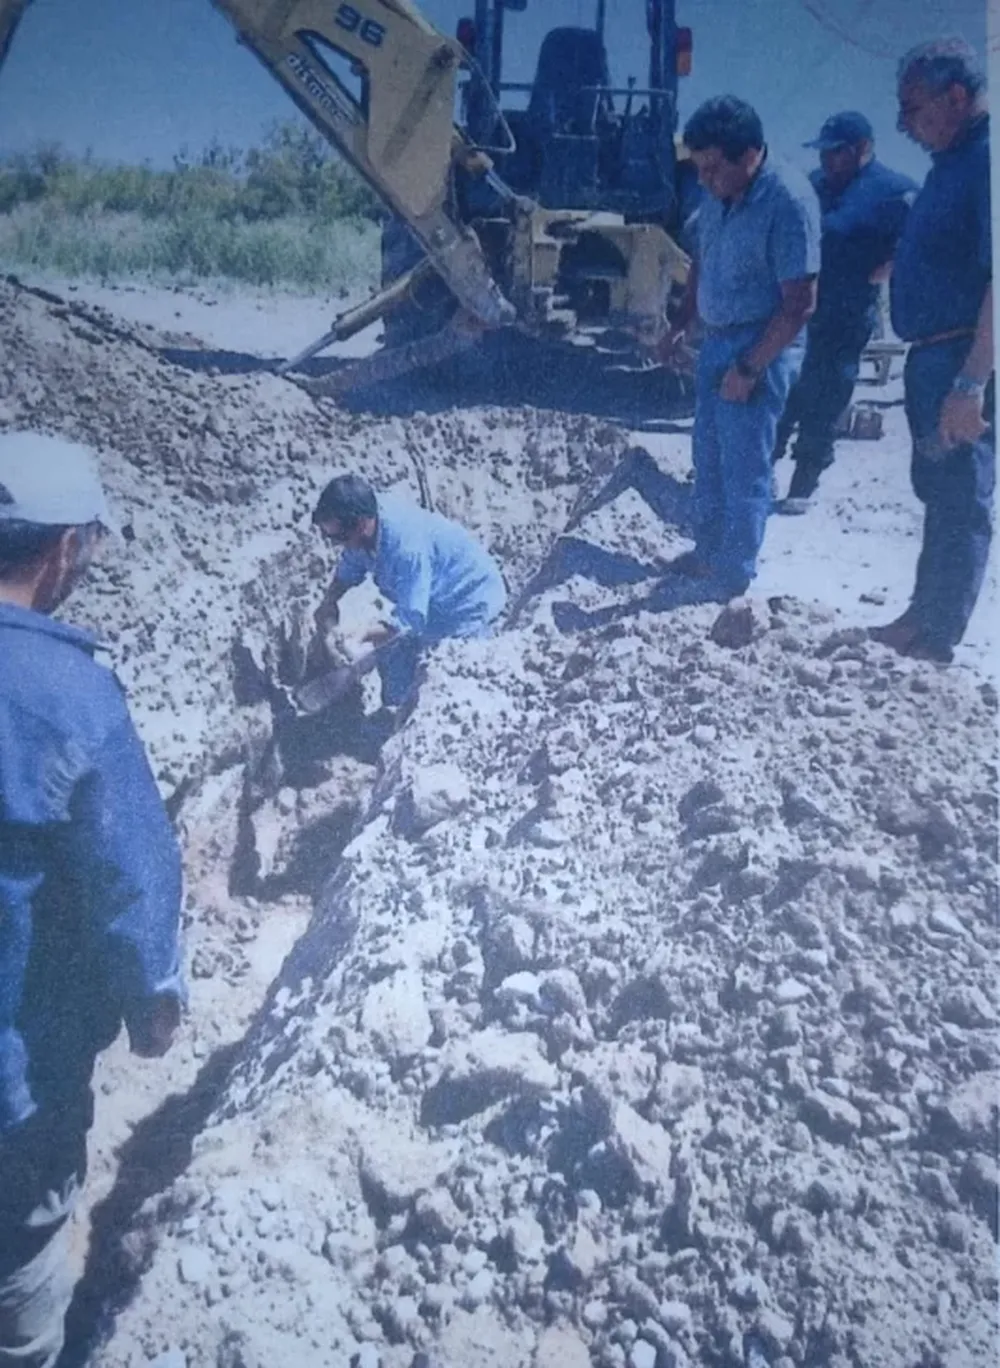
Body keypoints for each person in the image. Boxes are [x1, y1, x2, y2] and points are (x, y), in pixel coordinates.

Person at [0, 431, 184, 1368]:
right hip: (16, 1086)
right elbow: (131, 880)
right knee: (21, 1278)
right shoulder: (74, 697)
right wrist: (154, 1003)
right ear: (67, 549)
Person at [663, 96, 820, 598]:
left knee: (745, 466)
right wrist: (681, 324)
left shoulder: (788, 201)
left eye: (712, 168)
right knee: (707, 457)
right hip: (715, 341)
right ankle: (707, 553)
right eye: (699, 169)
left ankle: (733, 575)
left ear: (749, 153)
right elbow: (701, 264)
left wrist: (750, 369)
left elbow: (798, 305)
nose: (704, 179)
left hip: (760, 343)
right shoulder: (717, 197)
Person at [870, 38, 993, 664]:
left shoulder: (987, 162)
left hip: (961, 359)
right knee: (939, 495)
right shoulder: (951, 166)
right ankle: (922, 616)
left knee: (961, 500)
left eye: (912, 110)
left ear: (956, 96)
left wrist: (972, 383)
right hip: (932, 357)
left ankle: (937, 637)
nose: (903, 126)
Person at [774, 111, 918, 511]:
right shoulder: (813, 185)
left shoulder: (893, 190)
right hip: (797, 309)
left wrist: (891, 265)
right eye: (823, 152)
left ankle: (804, 481)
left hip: (847, 312)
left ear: (861, 149)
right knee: (782, 388)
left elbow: (923, 241)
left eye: (835, 153)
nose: (826, 160)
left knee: (827, 393)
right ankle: (758, 470)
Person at [312, 474, 506, 714]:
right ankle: (391, 718)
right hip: (431, 597)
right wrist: (329, 601)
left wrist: (362, 633)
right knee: (394, 667)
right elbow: (350, 567)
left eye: (338, 537)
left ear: (361, 524)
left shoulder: (406, 549)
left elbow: (409, 619)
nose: (336, 544)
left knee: (445, 682)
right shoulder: (364, 523)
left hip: (469, 600)